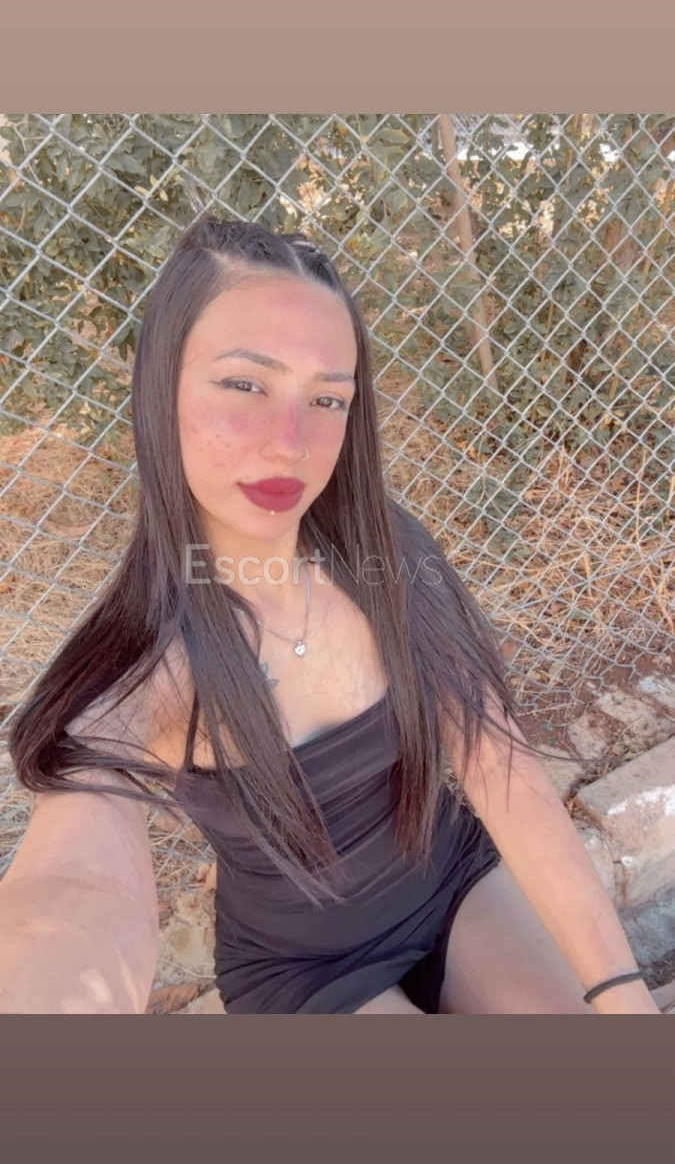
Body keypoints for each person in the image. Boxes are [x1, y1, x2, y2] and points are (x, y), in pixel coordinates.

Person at [0, 216, 660, 1015]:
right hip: (303, 972)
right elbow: (75, 886)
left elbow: (498, 765)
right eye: (245, 384)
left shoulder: (387, 553)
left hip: (451, 882)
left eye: (326, 398)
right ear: (159, 385)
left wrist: (621, 995)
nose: (290, 444)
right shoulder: (148, 664)